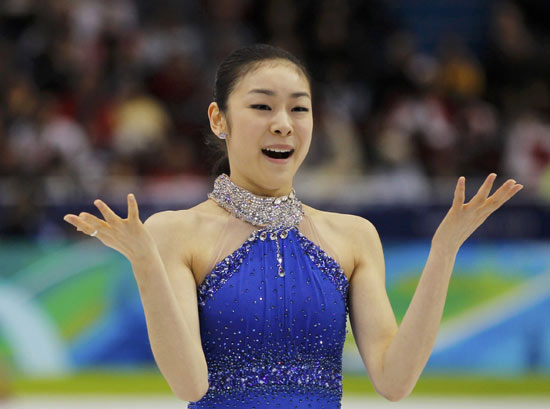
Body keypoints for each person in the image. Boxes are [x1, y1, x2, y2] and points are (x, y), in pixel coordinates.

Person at [63, 44, 523, 408]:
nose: (284, 124)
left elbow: (395, 380)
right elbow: (189, 383)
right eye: (262, 107)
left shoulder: (354, 236)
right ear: (218, 118)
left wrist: (443, 250)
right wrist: (145, 263)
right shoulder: (177, 232)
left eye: (298, 109)